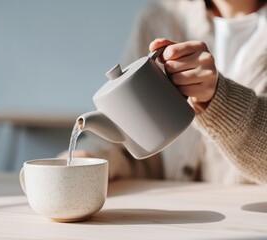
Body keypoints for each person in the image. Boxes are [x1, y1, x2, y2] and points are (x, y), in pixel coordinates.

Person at [62, 0, 267, 185]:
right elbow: (123, 132)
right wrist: (88, 157)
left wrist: (220, 100)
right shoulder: (160, 17)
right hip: (172, 216)